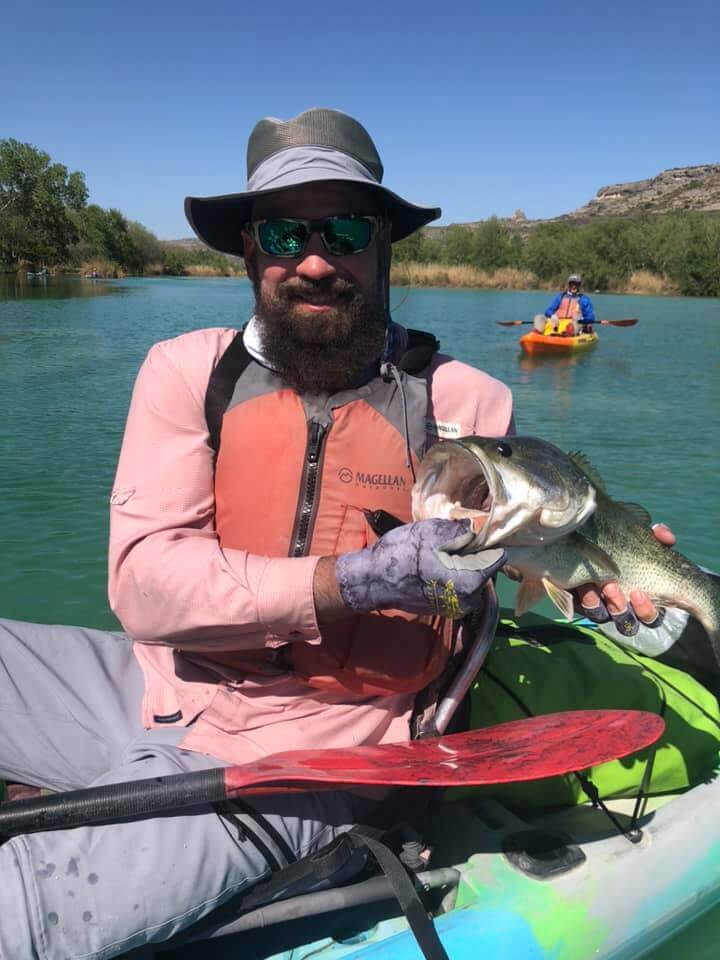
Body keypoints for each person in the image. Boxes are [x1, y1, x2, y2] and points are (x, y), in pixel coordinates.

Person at [0, 108, 673, 959]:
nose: (314, 261)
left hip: (324, 758)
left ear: (383, 246)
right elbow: (142, 586)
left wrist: (600, 580)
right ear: (250, 250)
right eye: (285, 233)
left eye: (345, 230)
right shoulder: (183, 371)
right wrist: (352, 581)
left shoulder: (468, 405)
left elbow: (526, 558)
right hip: (158, 686)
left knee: (22, 909)